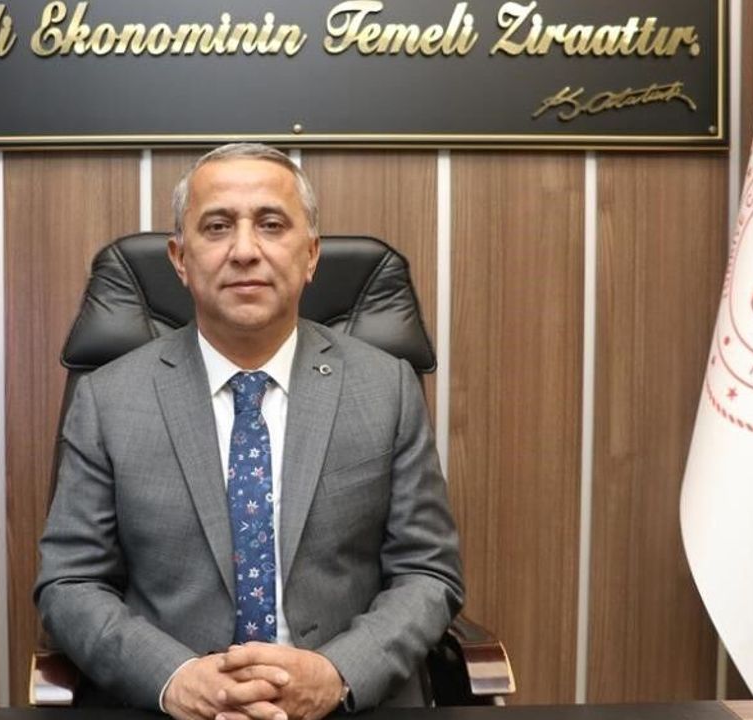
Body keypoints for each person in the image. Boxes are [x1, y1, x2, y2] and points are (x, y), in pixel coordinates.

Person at [35, 143, 463, 720]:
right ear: (180, 258)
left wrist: (338, 673)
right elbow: (69, 583)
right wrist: (175, 679)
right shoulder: (109, 398)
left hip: (346, 706)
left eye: (271, 224)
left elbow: (427, 571)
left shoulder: (386, 388)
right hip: (169, 708)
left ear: (310, 254)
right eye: (217, 227)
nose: (244, 250)